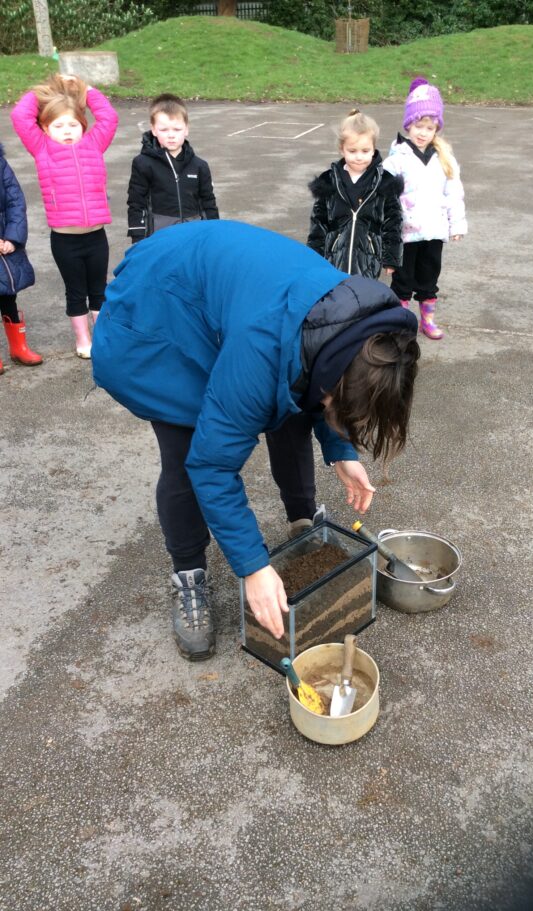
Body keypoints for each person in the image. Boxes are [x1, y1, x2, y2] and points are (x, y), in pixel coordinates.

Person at [92, 220, 420, 662]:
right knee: (189, 450)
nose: (336, 408)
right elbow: (212, 466)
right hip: (157, 314)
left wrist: (342, 451)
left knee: (293, 406)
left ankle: (302, 526)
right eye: (338, 405)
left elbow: (324, 388)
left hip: (225, 292)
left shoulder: (355, 328)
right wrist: (253, 567)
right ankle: (188, 575)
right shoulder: (261, 350)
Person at [11, 73, 118, 360]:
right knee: (76, 292)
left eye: (73, 124)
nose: (67, 131)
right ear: (45, 128)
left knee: (99, 290)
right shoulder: (42, 148)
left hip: (96, 236)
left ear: (83, 126)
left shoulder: (94, 144)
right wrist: (42, 92)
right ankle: (83, 340)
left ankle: (102, 338)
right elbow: (20, 117)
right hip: (65, 240)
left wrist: (87, 89)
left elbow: (108, 117)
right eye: (58, 126)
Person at [382, 77, 467, 341]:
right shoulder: (396, 160)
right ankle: (399, 321)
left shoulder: (444, 159)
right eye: (418, 126)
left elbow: (453, 193)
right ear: (408, 124)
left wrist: (456, 224)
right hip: (406, 233)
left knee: (429, 277)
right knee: (402, 280)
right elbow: (385, 197)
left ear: (436, 129)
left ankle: (427, 320)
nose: (423, 132)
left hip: (434, 231)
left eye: (430, 128)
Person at [307, 108, 403, 279]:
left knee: (363, 293)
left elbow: (393, 221)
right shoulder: (329, 181)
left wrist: (391, 257)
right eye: (352, 151)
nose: (359, 157)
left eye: (365, 151)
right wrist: (313, 255)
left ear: (373, 149)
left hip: (368, 260)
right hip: (334, 259)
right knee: (336, 292)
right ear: (342, 149)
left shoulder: (385, 182)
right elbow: (319, 221)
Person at [126, 93, 219, 242]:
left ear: (186, 129)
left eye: (177, 129)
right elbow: (136, 203)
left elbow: (208, 203)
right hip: (159, 238)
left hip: (193, 237)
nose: (171, 135)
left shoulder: (200, 166)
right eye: (164, 130)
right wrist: (138, 238)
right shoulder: (142, 163)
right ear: (154, 130)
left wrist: (213, 233)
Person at [0, 141, 42, 373]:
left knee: (8, 294)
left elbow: (15, 202)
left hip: (5, 244)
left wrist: (12, 238)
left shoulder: (1, 164)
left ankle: (19, 347)